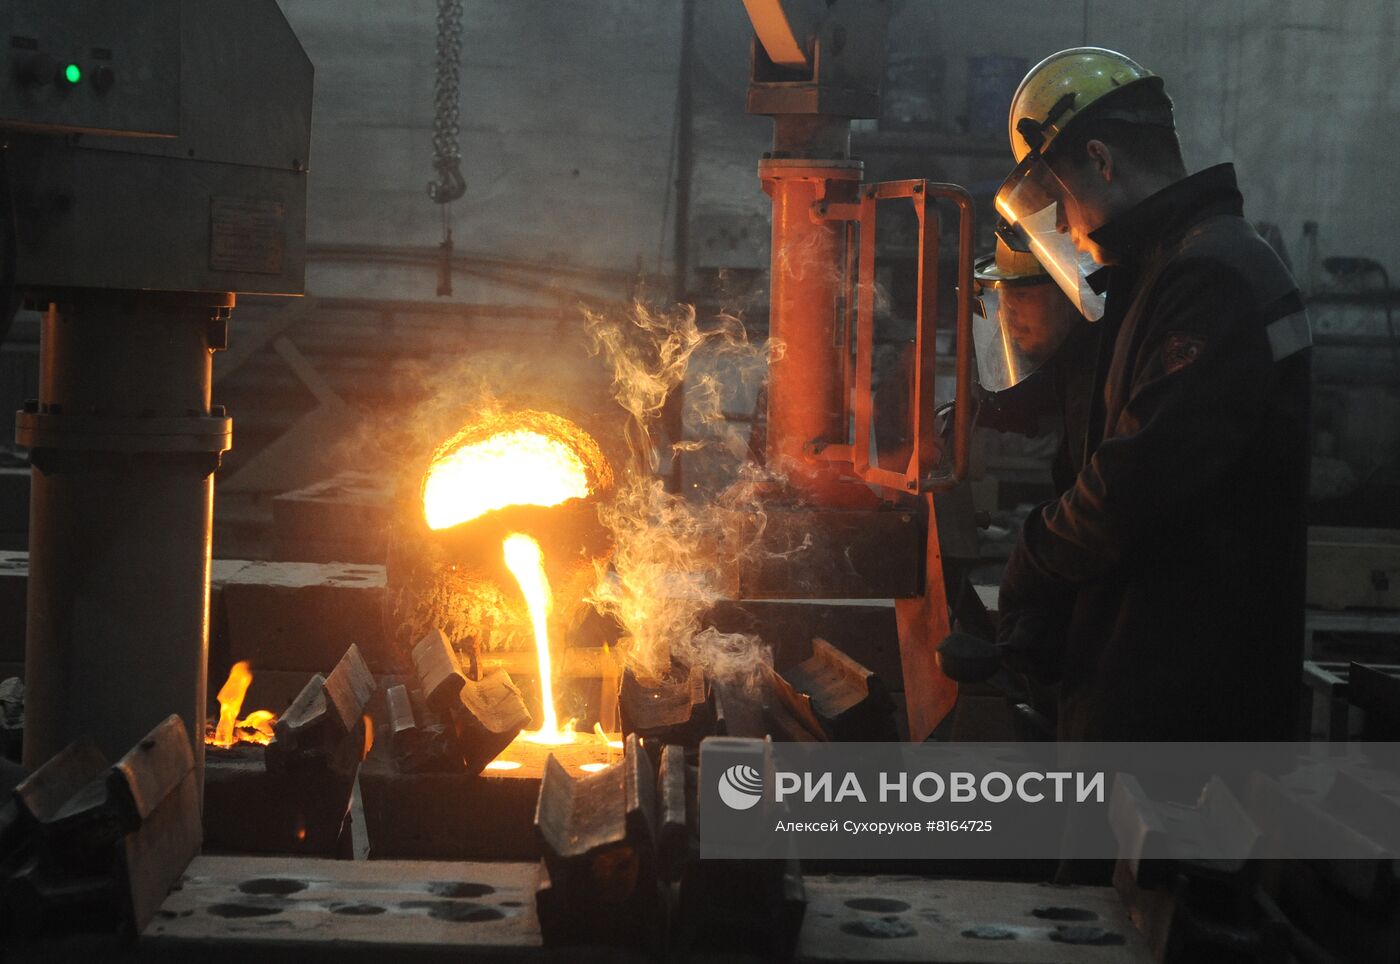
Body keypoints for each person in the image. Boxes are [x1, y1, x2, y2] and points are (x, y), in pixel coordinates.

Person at [989, 47, 1312, 743]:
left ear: (1101, 160)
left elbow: (1135, 484)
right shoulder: (1163, 270)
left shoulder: (1210, 279)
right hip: (1141, 684)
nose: (1064, 227)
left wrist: (1034, 559)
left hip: (1191, 708)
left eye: (1057, 198)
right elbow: (1098, 410)